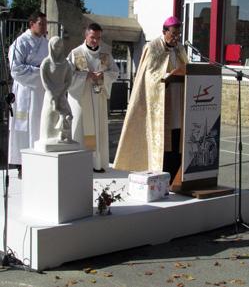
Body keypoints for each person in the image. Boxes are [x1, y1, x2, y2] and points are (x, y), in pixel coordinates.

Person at [114, 16, 188, 183]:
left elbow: (187, 67)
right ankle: (161, 179)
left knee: (177, 139)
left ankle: (175, 178)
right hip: (161, 102)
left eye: (178, 34)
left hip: (178, 100)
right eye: (174, 34)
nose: (176, 38)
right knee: (163, 141)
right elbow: (148, 76)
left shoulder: (180, 49)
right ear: (164, 32)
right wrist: (166, 76)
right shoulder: (153, 47)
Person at [68, 23, 119, 173]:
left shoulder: (105, 55)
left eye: (98, 38)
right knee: (79, 128)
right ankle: (77, 165)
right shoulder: (75, 53)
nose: (95, 41)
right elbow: (67, 76)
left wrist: (104, 75)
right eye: (92, 37)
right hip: (81, 99)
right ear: (86, 36)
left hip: (98, 99)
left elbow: (115, 73)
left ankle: (97, 163)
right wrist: (86, 75)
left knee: (98, 129)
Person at [8, 11, 48, 178]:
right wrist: (40, 71)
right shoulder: (20, 42)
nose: (45, 27)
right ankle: (22, 164)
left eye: (46, 24)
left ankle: (39, 160)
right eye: (42, 24)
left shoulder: (46, 43)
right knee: (23, 128)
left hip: (41, 91)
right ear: (31, 24)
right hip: (25, 91)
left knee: (39, 125)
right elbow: (16, 69)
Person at [38, 36, 74, 144]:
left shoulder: (66, 64)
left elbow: (68, 80)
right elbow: (45, 81)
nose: (57, 49)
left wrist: (62, 92)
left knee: (67, 116)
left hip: (62, 94)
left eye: (60, 46)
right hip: (50, 96)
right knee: (50, 117)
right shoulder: (46, 63)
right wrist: (51, 94)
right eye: (55, 46)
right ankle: (48, 137)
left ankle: (63, 136)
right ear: (50, 46)